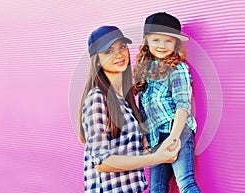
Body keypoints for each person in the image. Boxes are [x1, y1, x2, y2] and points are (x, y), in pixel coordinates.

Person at [78, 25, 181, 193]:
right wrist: (156, 157)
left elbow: (129, 151)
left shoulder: (125, 101)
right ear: (97, 60)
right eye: (108, 51)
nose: (119, 54)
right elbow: (102, 163)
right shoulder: (98, 99)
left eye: (122, 47)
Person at [133, 12, 202, 193]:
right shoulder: (145, 70)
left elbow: (183, 106)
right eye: (156, 40)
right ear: (146, 40)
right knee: (156, 188)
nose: (162, 46)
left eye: (168, 41)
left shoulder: (178, 68)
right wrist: (145, 137)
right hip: (156, 136)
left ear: (176, 43)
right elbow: (143, 108)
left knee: (185, 182)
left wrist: (173, 138)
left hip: (177, 131)